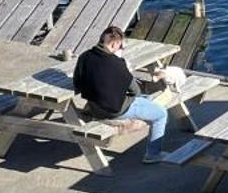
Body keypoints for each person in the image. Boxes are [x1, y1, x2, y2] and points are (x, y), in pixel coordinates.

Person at [72, 26, 169, 164]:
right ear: (114, 44)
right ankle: (153, 154)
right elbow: (136, 91)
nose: (122, 49)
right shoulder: (117, 64)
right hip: (115, 110)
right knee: (161, 114)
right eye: (122, 46)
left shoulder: (84, 57)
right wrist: (126, 71)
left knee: (146, 100)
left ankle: (144, 108)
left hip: (94, 106)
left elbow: (78, 84)